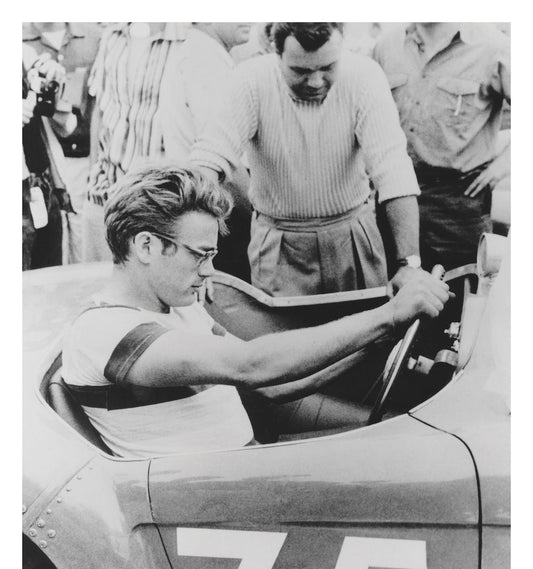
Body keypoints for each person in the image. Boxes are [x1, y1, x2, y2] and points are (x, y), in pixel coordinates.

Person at [61, 165, 450, 459]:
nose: (210, 271)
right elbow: (251, 366)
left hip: (244, 476)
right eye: (201, 255)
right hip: (199, 511)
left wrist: (382, 336)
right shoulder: (105, 332)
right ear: (145, 246)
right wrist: (390, 314)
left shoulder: (178, 312)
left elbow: (272, 385)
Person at [189, 22, 421, 298]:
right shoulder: (249, 80)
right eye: (300, 70)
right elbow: (208, 161)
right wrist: (197, 256)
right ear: (276, 54)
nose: (315, 81)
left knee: (371, 334)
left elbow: (393, 169)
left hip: (353, 237)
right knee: (284, 337)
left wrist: (409, 263)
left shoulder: (364, 76)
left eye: (328, 67)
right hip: (278, 246)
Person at [373, 23, 511, 272]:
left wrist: (505, 163)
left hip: (458, 203)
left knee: (458, 296)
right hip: (395, 198)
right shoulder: (387, 45)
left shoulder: (493, 48)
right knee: (394, 294)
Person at [81, 22, 188, 262]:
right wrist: (92, 173)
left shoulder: (186, 38)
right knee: (98, 288)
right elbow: (100, 109)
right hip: (104, 194)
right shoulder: (113, 35)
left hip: (155, 202)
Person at [159, 22, 253, 281]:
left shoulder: (202, 53)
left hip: (208, 210)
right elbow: (222, 153)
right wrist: (260, 217)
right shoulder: (205, 60)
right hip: (219, 212)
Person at [23, 23, 103, 263]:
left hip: (46, 182)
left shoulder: (25, 54)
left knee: (57, 262)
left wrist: (50, 80)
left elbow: (67, 123)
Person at [22, 45, 77, 269]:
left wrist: (54, 87)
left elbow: (67, 126)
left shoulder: (25, 53)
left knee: (49, 285)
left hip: (45, 190)